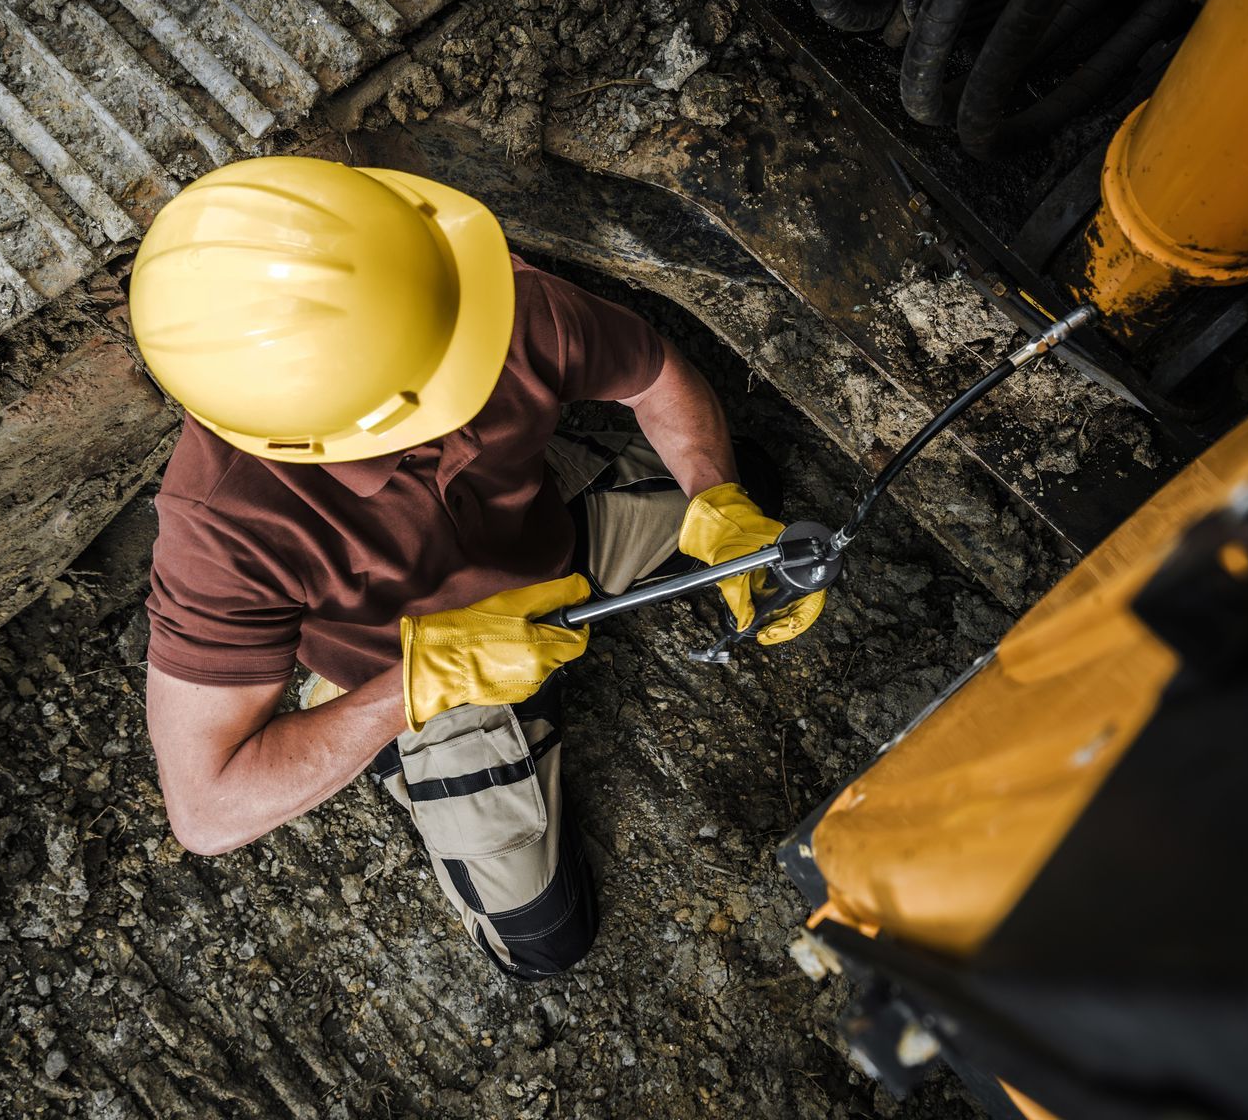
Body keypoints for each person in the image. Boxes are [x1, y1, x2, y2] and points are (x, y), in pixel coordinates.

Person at [127, 157, 824, 980]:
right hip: (412, 674)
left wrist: (718, 498)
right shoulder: (225, 527)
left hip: (553, 545)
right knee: (546, 940)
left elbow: (657, 376)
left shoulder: (465, 300)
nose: (479, 358)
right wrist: (413, 685)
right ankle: (372, 733)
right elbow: (207, 810)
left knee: (764, 505)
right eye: (442, 383)